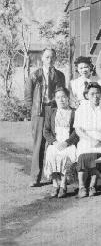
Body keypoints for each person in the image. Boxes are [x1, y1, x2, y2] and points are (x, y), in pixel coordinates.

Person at [25, 48, 66, 187]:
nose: (50, 60)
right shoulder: (34, 75)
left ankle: (55, 174)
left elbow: (62, 94)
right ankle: (35, 177)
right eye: (47, 57)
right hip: (39, 111)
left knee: (54, 142)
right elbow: (28, 96)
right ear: (42, 58)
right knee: (38, 143)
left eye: (52, 57)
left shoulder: (60, 75)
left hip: (54, 110)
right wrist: (33, 111)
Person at [74, 83, 101, 198]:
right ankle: (81, 187)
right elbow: (78, 130)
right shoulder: (80, 110)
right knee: (82, 155)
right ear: (87, 95)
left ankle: (93, 185)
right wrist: (91, 139)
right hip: (86, 138)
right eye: (92, 94)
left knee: (99, 155)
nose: (96, 96)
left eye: (98, 93)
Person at [43, 87, 78, 198]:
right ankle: (55, 184)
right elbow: (46, 131)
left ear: (68, 98)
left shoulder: (74, 112)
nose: (61, 100)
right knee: (51, 154)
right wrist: (54, 142)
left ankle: (63, 185)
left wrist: (67, 143)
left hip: (69, 143)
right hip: (56, 142)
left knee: (65, 156)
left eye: (63, 97)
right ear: (55, 99)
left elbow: (76, 131)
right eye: (58, 97)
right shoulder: (52, 112)